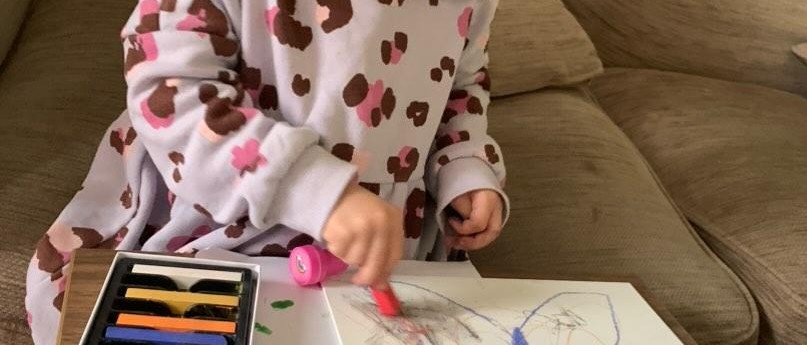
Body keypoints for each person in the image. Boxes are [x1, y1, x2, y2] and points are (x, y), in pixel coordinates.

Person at [25, 0, 509, 343]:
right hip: (217, 226)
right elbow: (172, 96)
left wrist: (463, 166)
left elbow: (464, 87)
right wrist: (313, 188)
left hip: (385, 250)